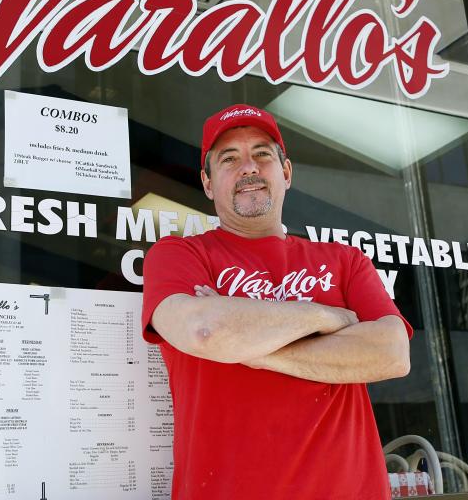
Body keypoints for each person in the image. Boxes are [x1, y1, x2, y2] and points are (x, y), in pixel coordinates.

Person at [141, 103, 413, 500]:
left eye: (262, 155)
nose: (248, 167)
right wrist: (325, 315)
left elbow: (392, 354)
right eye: (229, 159)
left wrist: (245, 348)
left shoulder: (344, 261)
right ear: (207, 183)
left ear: (285, 173)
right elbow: (204, 329)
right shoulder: (179, 256)